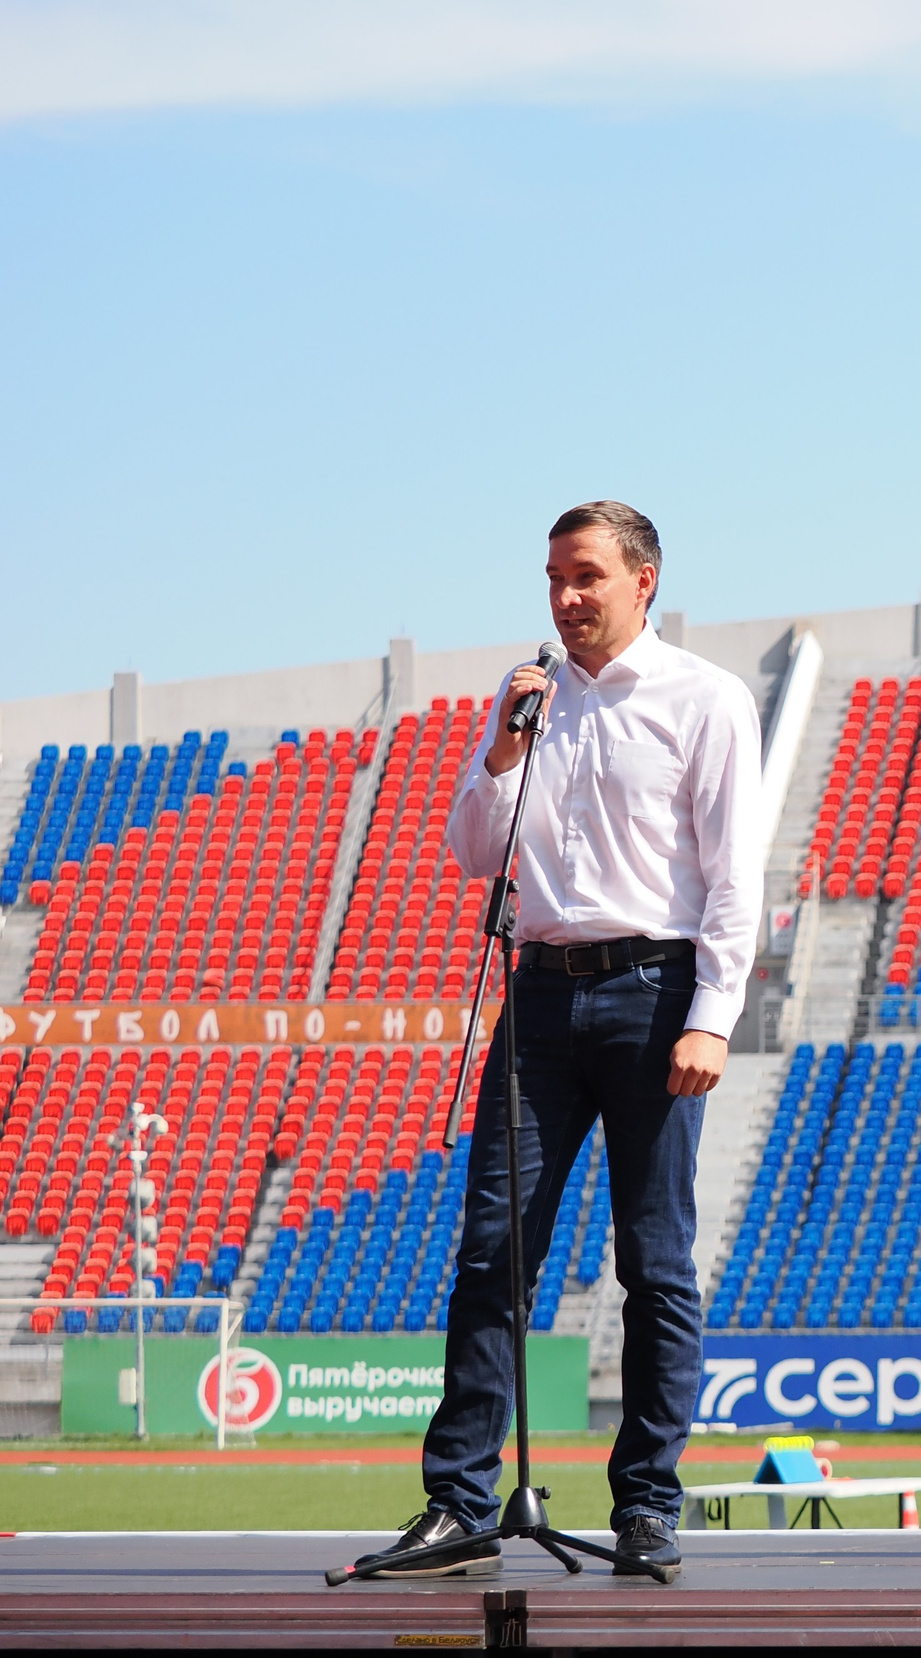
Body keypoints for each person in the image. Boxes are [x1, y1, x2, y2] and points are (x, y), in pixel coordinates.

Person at [355, 501, 763, 1581]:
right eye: (552, 579)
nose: (566, 597)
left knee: (654, 1261)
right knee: (494, 1251)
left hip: (654, 990)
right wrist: (502, 746)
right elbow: (471, 850)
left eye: (585, 575)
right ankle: (458, 1501)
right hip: (537, 993)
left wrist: (713, 1015)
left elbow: (735, 876)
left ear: (643, 580)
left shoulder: (706, 698)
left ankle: (647, 1506)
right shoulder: (530, 699)